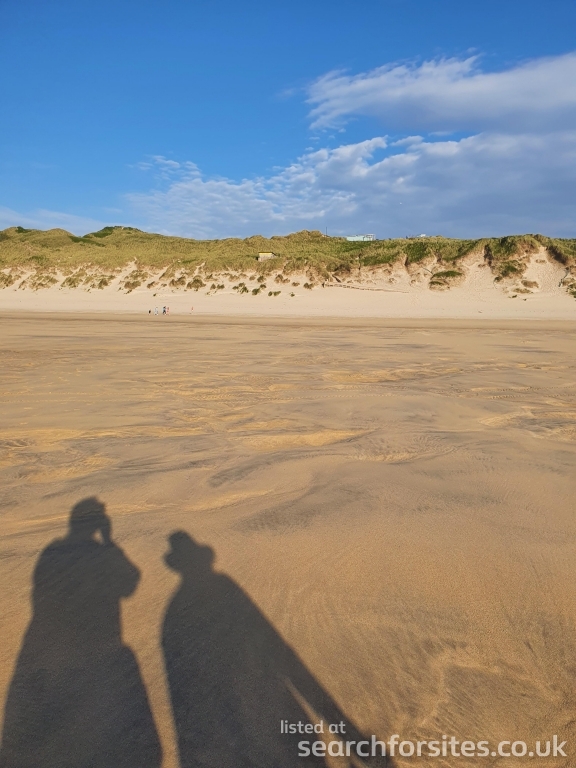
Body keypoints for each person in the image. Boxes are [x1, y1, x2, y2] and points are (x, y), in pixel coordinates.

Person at [0, 498, 161, 768]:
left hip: (49, 639)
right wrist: (109, 542)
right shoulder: (98, 551)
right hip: (95, 638)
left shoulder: (51, 551)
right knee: (89, 707)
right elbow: (130, 584)